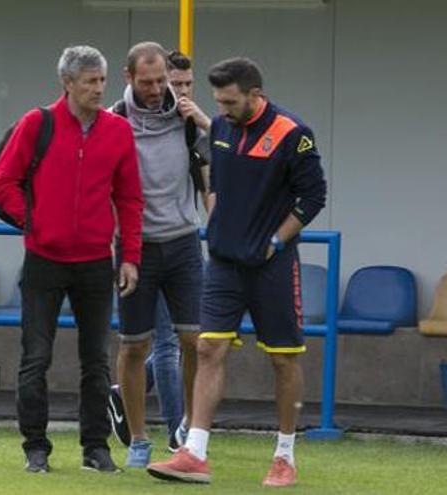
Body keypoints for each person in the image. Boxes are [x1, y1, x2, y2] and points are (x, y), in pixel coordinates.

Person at [147, 57, 326, 487]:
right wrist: (217, 218)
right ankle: (195, 452)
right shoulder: (223, 128)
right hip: (223, 263)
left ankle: (284, 456)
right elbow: (216, 183)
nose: (222, 111)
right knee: (208, 349)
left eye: (230, 102)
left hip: (272, 266)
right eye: (218, 102)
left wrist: (277, 241)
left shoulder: (293, 134)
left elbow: (313, 196)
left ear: (255, 95)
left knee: (283, 359)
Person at [0, 45, 143, 474]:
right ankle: (35, 448)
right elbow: (2, 181)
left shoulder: (118, 131)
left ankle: (95, 448)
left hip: (96, 262)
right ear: (67, 83)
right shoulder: (37, 123)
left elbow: (130, 198)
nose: (98, 88)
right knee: (35, 357)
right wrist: (32, 222)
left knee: (95, 360)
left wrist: (130, 257)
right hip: (43, 260)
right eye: (90, 81)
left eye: (102, 80)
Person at [113, 42, 209, 469]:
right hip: (134, 246)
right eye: (147, 82)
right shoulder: (114, 119)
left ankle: (189, 431)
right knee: (136, 346)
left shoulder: (186, 117)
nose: (156, 90)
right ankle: (137, 438)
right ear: (129, 77)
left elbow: (216, 161)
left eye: (162, 82)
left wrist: (202, 120)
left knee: (194, 341)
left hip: (184, 240)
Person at [139, 49, 212, 453]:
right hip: (147, 244)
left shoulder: (192, 126)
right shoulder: (142, 122)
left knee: (191, 340)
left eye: (187, 85)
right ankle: (175, 431)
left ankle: (121, 392)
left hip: (186, 242)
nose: (181, 92)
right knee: (164, 344)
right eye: (174, 85)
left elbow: (212, 174)